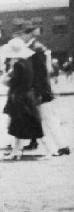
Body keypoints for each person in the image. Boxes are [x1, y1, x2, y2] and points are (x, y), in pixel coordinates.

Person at [19, 23, 71, 156]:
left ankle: (62, 147)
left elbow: (42, 74)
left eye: (22, 34)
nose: (20, 37)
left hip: (43, 91)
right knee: (44, 120)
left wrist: (40, 93)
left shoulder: (37, 49)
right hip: (39, 90)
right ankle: (56, 148)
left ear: (28, 34)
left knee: (49, 119)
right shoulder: (32, 48)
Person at [0, 38, 44, 160]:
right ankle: (17, 150)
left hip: (20, 97)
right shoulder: (27, 63)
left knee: (18, 125)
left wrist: (5, 82)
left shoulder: (18, 65)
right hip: (27, 96)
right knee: (26, 124)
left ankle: (17, 151)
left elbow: (15, 82)